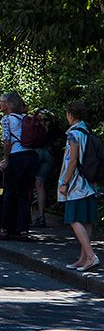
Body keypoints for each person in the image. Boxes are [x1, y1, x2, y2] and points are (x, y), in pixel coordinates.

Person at [56, 100, 99, 270]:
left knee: (73, 219)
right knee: (86, 221)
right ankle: (83, 259)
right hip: (89, 182)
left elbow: (72, 160)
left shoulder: (73, 134)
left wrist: (64, 183)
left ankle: (90, 255)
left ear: (70, 115)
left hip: (76, 184)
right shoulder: (86, 130)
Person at [0, 91, 37, 239]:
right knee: (24, 194)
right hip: (31, 156)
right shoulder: (26, 118)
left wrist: (6, 160)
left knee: (10, 193)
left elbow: (7, 142)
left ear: (9, 104)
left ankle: (5, 229)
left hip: (17, 156)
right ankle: (23, 230)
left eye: (1, 101)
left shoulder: (6, 119)